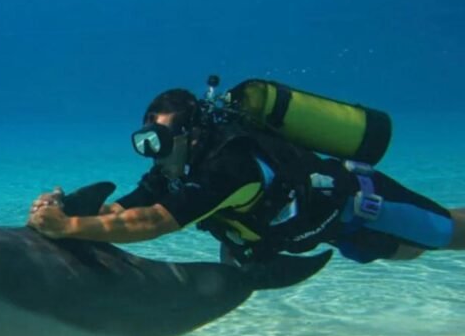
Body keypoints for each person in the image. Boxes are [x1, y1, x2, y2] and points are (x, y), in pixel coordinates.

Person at [27, 84, 465, 265]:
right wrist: (67, 212)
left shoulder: (229, 167)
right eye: (146, 142)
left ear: (191, 138)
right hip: (317, 230)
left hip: (360, 205)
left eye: (159, 142)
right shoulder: (174, 169)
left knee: (447, 233)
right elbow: (122, 210)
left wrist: (67, 228)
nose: (153, 155)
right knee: (405, 253)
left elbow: (152, 223)